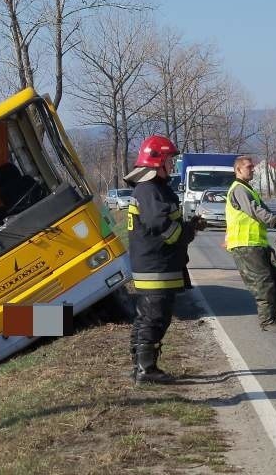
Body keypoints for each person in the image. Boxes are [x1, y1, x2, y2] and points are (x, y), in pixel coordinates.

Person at [125, 135, 201, 384]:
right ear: (157, 161)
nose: (173, 164)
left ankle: (140, 365)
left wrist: (188, 226)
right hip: (155, 267)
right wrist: (187, 232)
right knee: (155, 317)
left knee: (146, 316)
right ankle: (146, 370)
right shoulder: (149, 189)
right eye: (170, 159)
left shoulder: (152, 189)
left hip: (155, 265)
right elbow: (163, 226)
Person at [225, 155, 276, 333]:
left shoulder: (249, 190)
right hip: (245, 245)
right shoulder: (239, 189)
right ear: (238, 170)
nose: (253, 169)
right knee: (263, 283)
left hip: (258, 244)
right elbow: (255, 211)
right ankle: (267, 321)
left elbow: (265, 210)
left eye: (252, 167)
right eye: (249, 167)